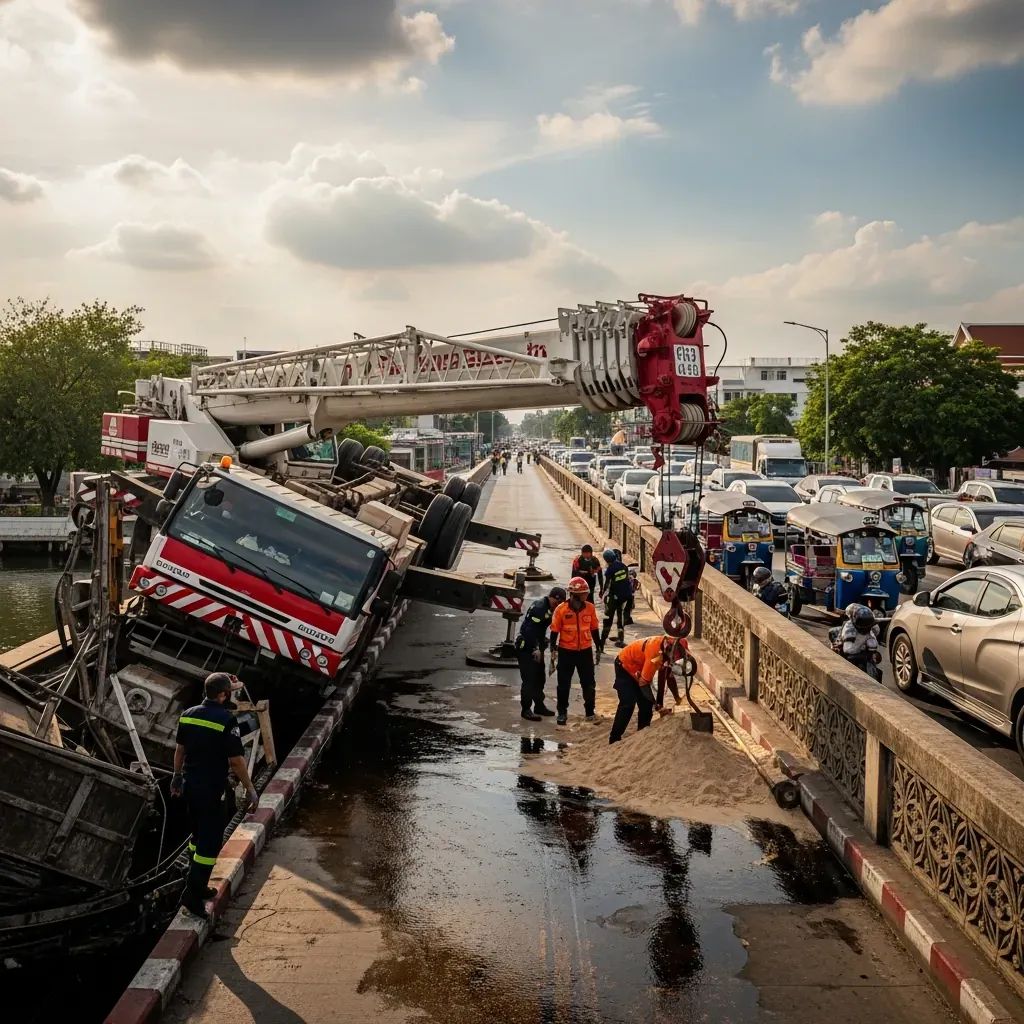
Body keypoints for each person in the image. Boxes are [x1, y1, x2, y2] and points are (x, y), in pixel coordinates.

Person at [171, 672, 259, 919]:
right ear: (223, 695)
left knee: (196, 835)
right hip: (211, 791)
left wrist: (176, 777)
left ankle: (194, 876)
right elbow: (237, 762)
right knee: (210, 845)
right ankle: (193, 894)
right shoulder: (226, 720)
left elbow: (180, 750)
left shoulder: (187, 715)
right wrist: (250, 789)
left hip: (189, 787)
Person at [609, 635, 687, 744]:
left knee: (646, 705)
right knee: (628, 703)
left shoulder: (668, 648)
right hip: (625, 666)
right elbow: (643, 683)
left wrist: (677, 698)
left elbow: (668, 677)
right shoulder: (655, 654)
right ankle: (614, 739)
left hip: (639, 670)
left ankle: (642, 735)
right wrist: (658, 706)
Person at [549, 577, 603, 725]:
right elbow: (554, 631)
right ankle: (562, 712)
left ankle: (590, 711)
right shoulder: (561, 610)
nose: (586, 595)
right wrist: (553, 649)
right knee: (563, 684)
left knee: (589, 683)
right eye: (584, 593)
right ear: (575, 595)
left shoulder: (590, 608)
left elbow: (594, 628)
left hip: (585, 652)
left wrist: (598, 646)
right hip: (566, 652)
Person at [515, 586, 566, 720]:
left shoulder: (549, 609)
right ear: (551, 597)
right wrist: (535, 648)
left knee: (539, 678)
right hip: (527, 648)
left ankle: (539, 705)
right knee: (529, 679)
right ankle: (526, 710)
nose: (556, 607)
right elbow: (529, 630)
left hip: (537, 646)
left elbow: (541, 629)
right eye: (556, 603)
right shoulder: (539, 608)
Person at [600, 548, 632, 649]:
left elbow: (607, 583)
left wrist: (602, 592)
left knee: (608, 617)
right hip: (625, 595)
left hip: (615, 597)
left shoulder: (610, 569)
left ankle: (601, 642)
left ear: (607, 560)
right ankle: (620, 639)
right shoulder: (623, 566)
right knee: (620, 616)